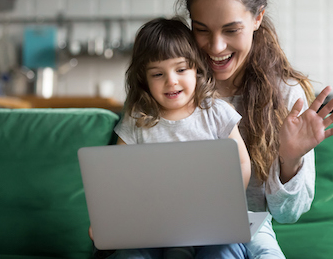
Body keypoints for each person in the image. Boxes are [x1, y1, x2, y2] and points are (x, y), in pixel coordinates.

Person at [175, 0, 333, 258]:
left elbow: (288, 215)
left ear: (258, 18)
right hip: (176, 233)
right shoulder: (173, 88)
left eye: (231, 30)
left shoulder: (284, 94)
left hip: (245, 237)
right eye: (202, 29)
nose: (216, 47)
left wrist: (290, 159)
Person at [95, 17, 255, 259]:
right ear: (144, 80)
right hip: (153, 226)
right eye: (158, 74)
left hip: (209, 223)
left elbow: (242, 162)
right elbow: (120, 176)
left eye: (181, 69)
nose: (171, 80)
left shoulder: (215, 112)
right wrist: (109, 220)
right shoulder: (138, 119)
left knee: (225, 252)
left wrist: (227, 203)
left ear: (196, 69)